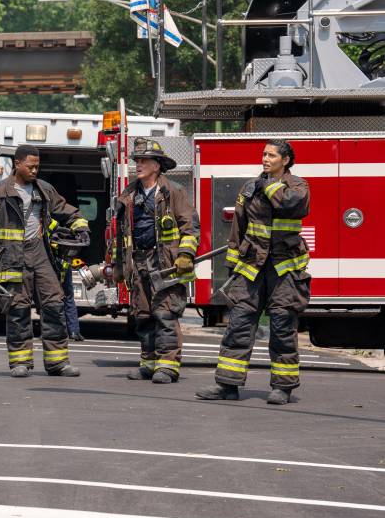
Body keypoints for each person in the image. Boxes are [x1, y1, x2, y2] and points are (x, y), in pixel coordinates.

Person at [196, 140, 310, 405]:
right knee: (239, 324)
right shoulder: (249, 188)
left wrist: (268, 185)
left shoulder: (298, 187)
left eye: (271, 155)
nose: (265, 159)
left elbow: (292, 205)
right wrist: (232, 267)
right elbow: (239, 227)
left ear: (286, 160)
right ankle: (227, 385)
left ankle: (283, 387)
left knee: (282, 326)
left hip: (284, 270)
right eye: (264, 154)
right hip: (251, 268)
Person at [0, 144, 88, 378]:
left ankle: (58, 362)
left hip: (41, 254)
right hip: (11, 258)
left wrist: (80, 225)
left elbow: (65, 209)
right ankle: (20, 362)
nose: (35, 171)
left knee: (54, 305)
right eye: (30, 166)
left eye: (37, 166)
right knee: (17, 310)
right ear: (17, 164)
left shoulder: (44, 189)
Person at [114, 138, 200, 385]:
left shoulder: (173, 191)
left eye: (144, 161)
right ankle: (149, 364)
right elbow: (121, 233)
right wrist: (119, 265)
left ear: (157, 165)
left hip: (165, 262)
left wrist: (185, 255)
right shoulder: (129, 194)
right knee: (142, 315)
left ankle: (167, 366)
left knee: (165, 313)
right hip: (138, 262)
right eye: (137, 160)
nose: (138, 165)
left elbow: (190, 226)